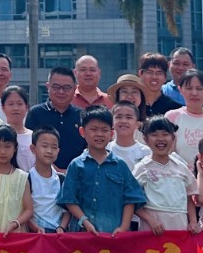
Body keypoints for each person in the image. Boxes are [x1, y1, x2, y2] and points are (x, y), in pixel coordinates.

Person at [57, 106, 143, 235]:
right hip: (82, 234)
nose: (99, 134)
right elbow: (69, 199)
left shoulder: (120, 165)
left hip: (114, 235)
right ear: (82, 131)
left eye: (104, 130)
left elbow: (131, 199)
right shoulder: (76, 165)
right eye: (94, 129)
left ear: (111, 134)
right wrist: (84, 221)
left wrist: (124, 227)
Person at [134, 117, 197, 234]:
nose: (160, 139)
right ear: (145, 139)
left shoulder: (181, 167)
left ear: (173, 138)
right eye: (154, 135)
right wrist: (150, 220)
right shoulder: (142, 167)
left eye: (165, 134)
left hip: (179, 225)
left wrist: (193, 221)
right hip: (152, 228)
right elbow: (132, 201)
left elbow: (189, 198)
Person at [25, 66, 84, 170]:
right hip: (44, 173)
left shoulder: (82, 115)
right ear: (48, 87)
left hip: (78, 173)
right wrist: (54, 170)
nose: (61, 92)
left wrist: (71, 171)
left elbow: (88, 148)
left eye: (66, 88)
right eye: (56, 87)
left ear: (75, 88)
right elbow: (31, 146)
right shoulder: (35, 113)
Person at [26, 129, 69, 233]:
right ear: (33, 148)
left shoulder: (61, 179)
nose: (49, 151)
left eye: (54, 147)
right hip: (35, 233)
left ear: (58, 151)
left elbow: (67, 210)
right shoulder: (26, 178)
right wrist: (36, 228)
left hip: (58, 234)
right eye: (44, 146)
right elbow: (23, 210)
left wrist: (62, 227)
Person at [0, 85, 34, 168]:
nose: (15, 108)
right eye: (10, 104)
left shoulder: (34, 137)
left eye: (20, 104)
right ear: (3, 108)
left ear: (26, 107)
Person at [109, 100, 149, 169]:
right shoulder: (106, 150)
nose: (123, 121)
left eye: (129, 117)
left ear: (137, 124)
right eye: (118, 117)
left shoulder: (146, 152)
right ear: (112, 123)